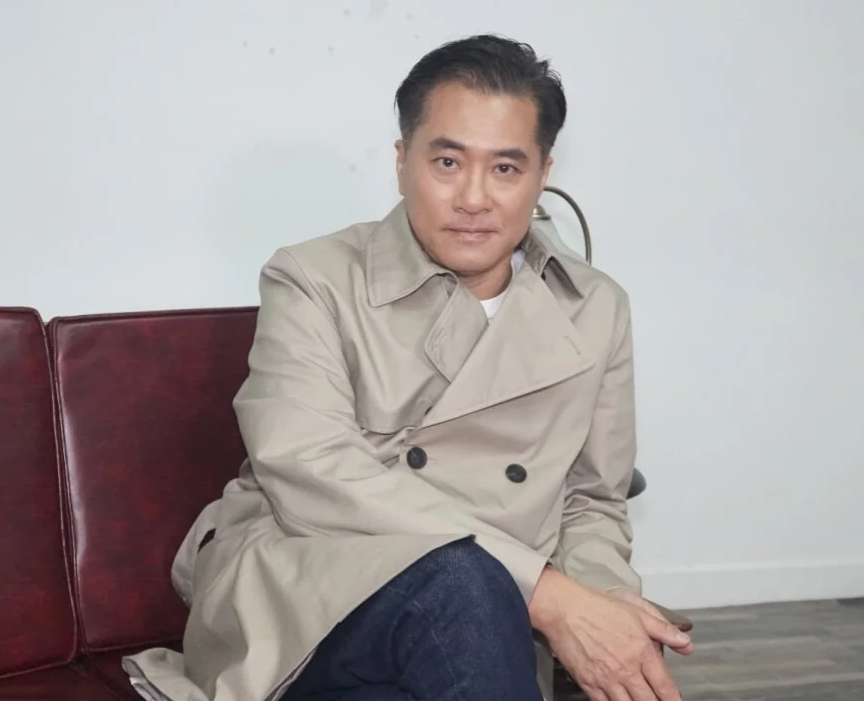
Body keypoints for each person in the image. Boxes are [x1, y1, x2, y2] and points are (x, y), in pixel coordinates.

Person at [124, 34, 693, 701]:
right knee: (461, 578)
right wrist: (544, 591)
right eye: (448, 162)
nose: (474, 197)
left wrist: (608, 610)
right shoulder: (313, 277)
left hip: (483, 622)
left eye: (505, 169)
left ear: (542, 173)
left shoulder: (595, 307)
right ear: (402, 162)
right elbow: (308, 466)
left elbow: (592, 497)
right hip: (310, 582)